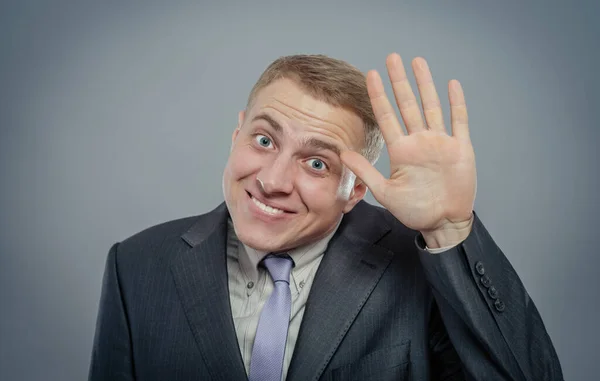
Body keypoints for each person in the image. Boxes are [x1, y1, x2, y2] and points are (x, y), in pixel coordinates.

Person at [88, 53, 563, 380]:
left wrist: (448, 230)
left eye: (317, 163)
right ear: (236, 135)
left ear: (354, 188)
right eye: (264, 140)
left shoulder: (418, 265)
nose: (273, 179)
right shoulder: (135, 266)